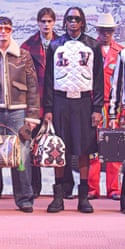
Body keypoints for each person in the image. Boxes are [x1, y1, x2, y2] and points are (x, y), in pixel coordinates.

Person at [0, 16, 39, 213]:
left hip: (18, 111)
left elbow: (33, 86)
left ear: (11, 31)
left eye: (7, 28)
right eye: (0, 28)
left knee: (22, 156)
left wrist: (32, 116)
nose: (3, 31)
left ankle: (24, 198)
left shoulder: (23, 55)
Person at [44, 6, 104, 213]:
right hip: (60, 102)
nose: (72, 22)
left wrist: (97, 108)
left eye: (76, 19)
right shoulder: (54, 46)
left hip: (83, 103)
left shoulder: (93, 46)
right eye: (69, 19)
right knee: (59, 149)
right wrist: (48, 108)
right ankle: (58, 197)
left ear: (82, 22)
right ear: (65, 22)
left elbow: (98, 79)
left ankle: (83, 197)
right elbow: (48, 80)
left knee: (84, 150)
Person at [21, 7, 77, 199]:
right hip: (35, 102)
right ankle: (33, 187)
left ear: (54, 23)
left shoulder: (65, 44)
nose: (46, 25)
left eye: (49, 21)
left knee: (61, 144)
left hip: (60, 102)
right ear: (38, 23)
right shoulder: (27, 46)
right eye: (42, 21)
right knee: (31, 146)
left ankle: (64, 187)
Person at [87, 13, 123, 201]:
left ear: (114, 31)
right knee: (93, 147)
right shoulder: (89, 50)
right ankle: (92, 188)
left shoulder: (121, 52)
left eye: (109, 30)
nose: (105, 34)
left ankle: (114, 188)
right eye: (102, 30)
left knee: (114, 147)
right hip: (93, 106)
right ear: (97, 31)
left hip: (114, 107)